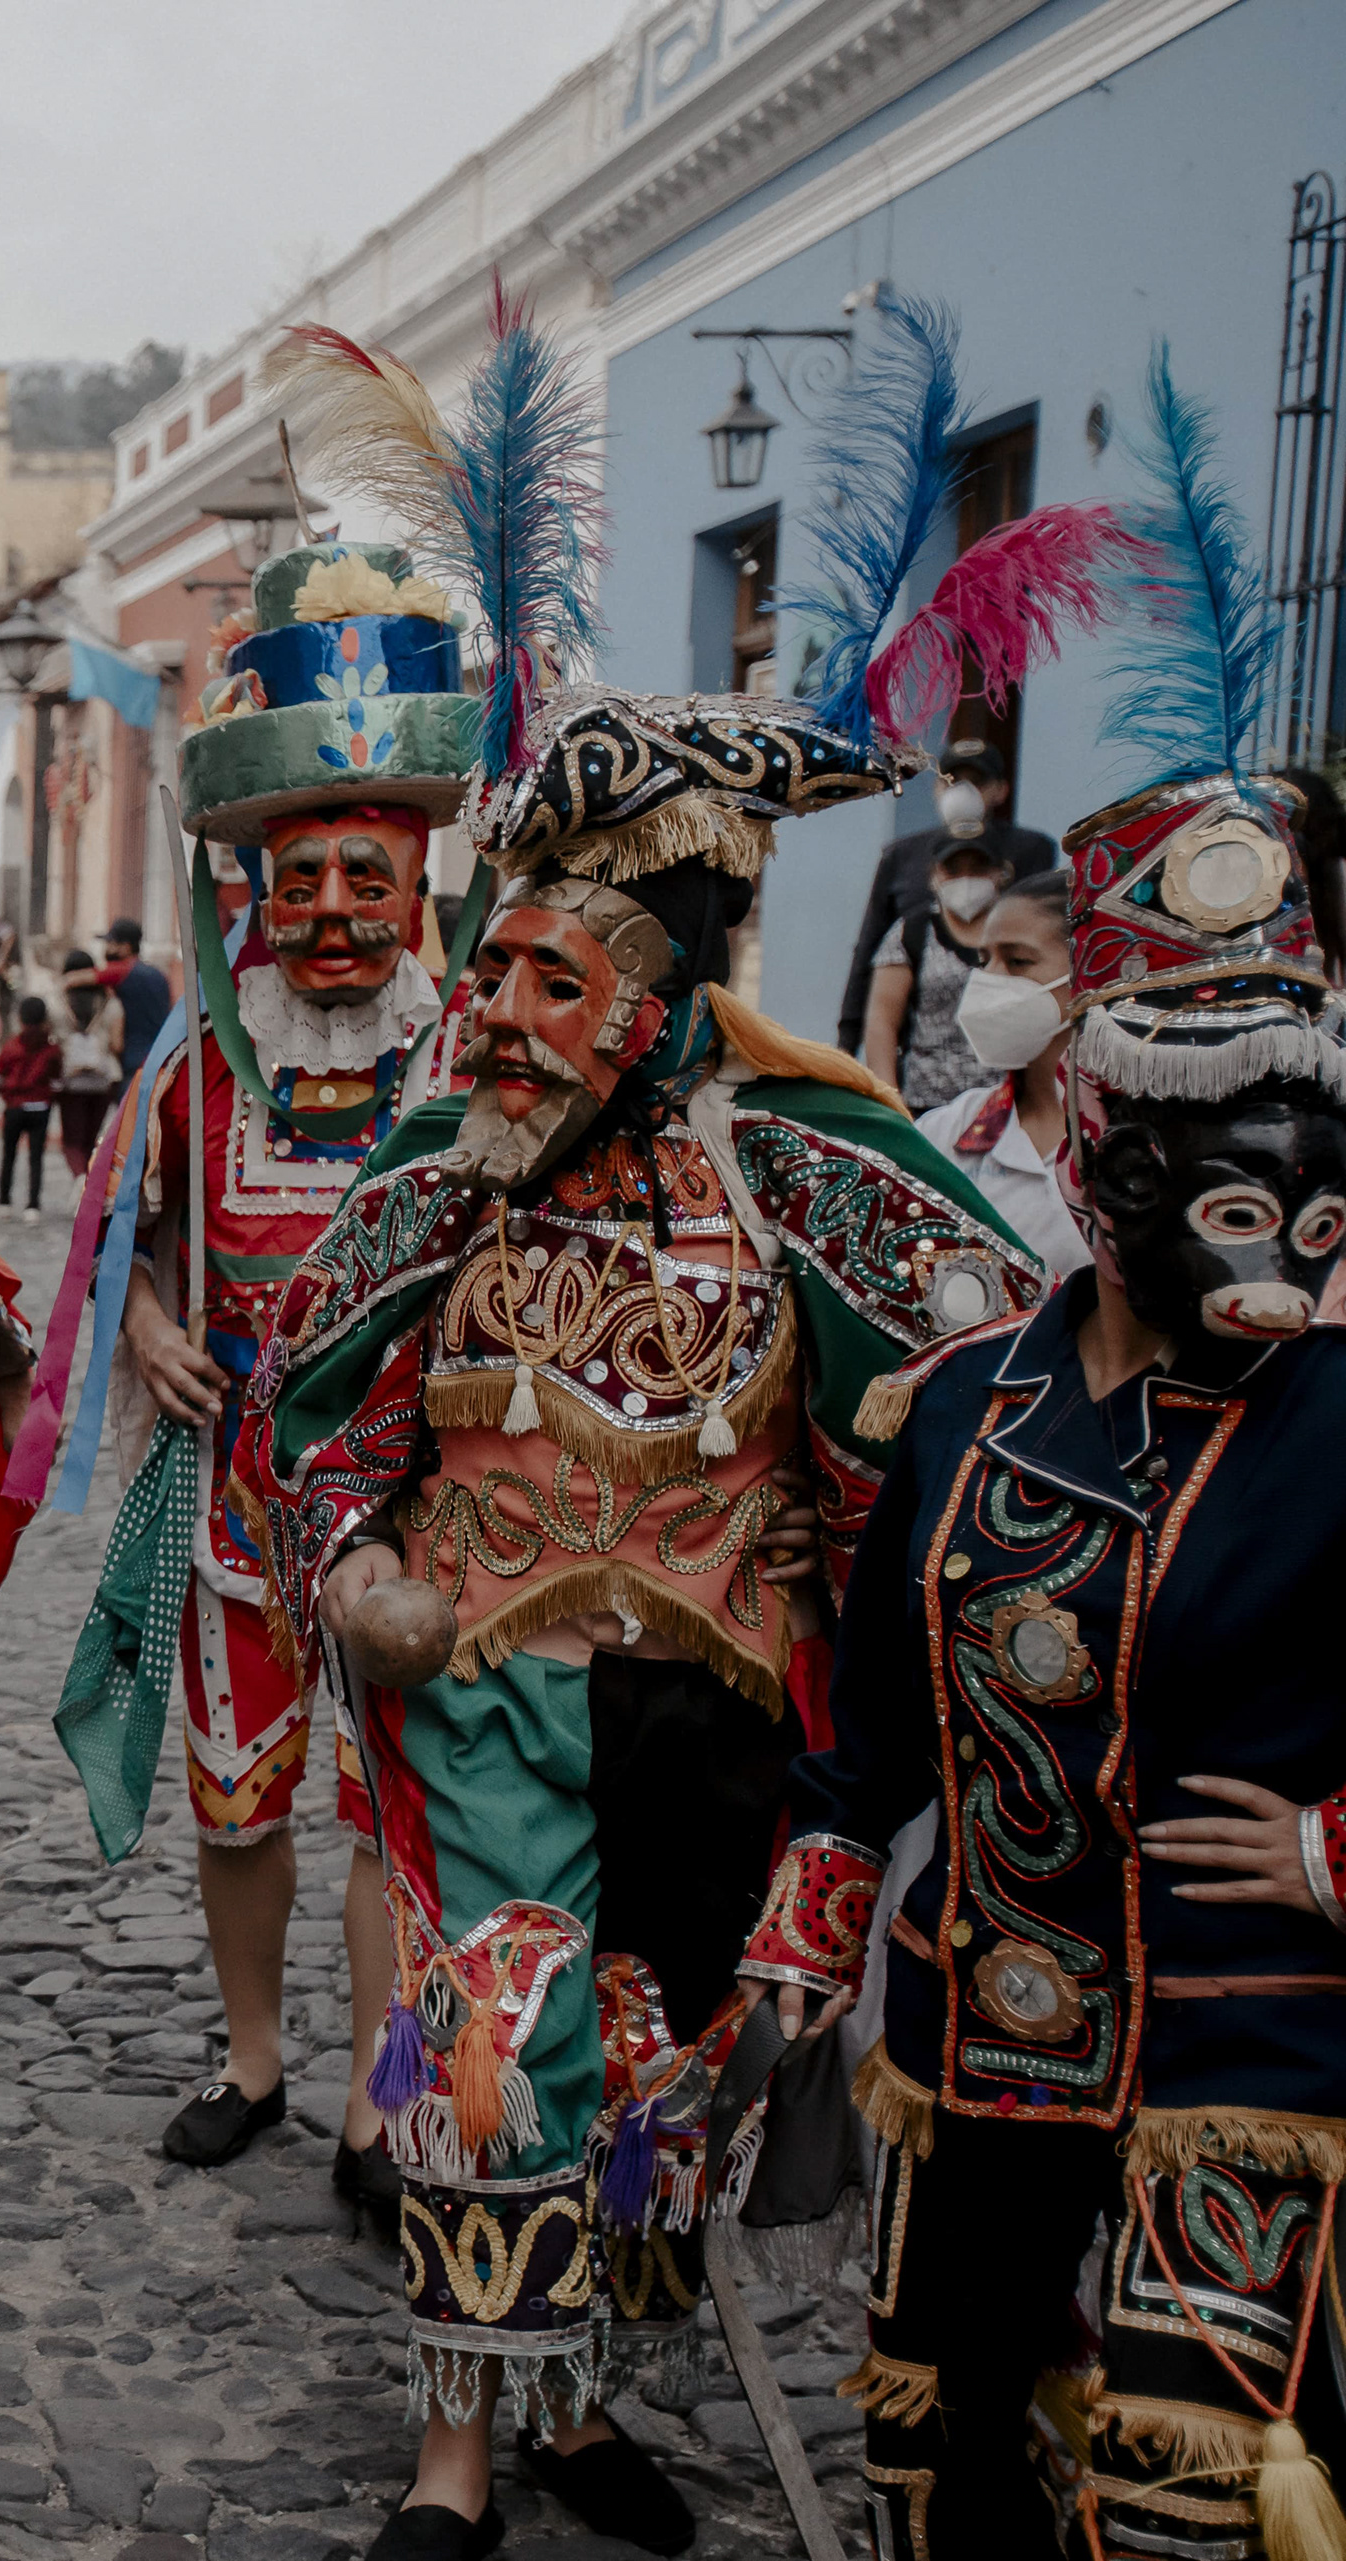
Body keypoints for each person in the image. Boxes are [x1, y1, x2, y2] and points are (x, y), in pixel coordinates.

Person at [233, 299, 1061, 2560]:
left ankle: (585, 2388)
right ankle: (451, 2444)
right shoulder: (429, 1169)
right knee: (483, 2051)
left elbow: (983, 1411)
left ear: (656, 996)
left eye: (540, 977)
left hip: (717, 1714)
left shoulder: (808, 1168)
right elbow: (295, 1398)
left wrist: (871, 1667)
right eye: (484, 968)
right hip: (484, 1683)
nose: (488, 1013)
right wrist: (353, 1575)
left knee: (656, 2073)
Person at [747, 363, 1346, 2556]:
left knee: (1195, 2493)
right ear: (1078, 1116)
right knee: (944, 2446)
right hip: (979, 2030)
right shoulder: (971, 1393)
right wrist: (800, 1947)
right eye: (1185, 1123)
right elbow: (865, 1737)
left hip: (1253, 2056)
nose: (1243, 1187)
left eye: (1286, 1133)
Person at [19, 529, 471, 2217]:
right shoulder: (200, 1065)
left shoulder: (468, 1065)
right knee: (236, 1804)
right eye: (306, 884)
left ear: (416, 886)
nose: (337, 916)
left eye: (368, 880)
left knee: (386, 1806)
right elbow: (124, 1243)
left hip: (412, 1513)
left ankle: (372, 2093)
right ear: (255, 894)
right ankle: (255, 2057)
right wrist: (145, 1331)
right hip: (232, 1495)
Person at [912, 870, 1089, 1281]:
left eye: (1017, 961)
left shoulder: (1129, 1142)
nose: (990, 979)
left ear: (1089, 973)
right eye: (984, 959)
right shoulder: (948, 1137)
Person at [834, 739, 1058, 1055]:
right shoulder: (902, 856)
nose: (962, 792)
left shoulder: (1030, 850)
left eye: (976, 781)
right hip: (919, 1049)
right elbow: (868, 947)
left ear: (1001, 790)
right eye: (951, 781)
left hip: (1005, 1045)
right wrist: (847, 1041)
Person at [859, 832, 1013, 1114]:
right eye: (953, 870)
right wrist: (889, 1101)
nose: (965, 879)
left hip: (1005, 1104)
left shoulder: (1017, 932)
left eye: (978, 868)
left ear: (1000, 872)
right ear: (934, 875)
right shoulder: (910, 933)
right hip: (927, 1105)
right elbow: (881, 1024)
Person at [0, 993, 65, 1216]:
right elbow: (57, 1081)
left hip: (14, 1107)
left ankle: (4, 1201)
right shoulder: (52, 1050)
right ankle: (33, 1205)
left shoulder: (11, 1047)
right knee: (36, 1156)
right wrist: (52, 1098)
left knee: (8, 1153)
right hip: (40, 1108)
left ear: (20, 1018)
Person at [53, 961, 121, 1169]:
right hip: (103, 1079)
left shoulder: (57, 1005)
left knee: (73, 1141)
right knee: (92, 1138)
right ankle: (89, 1184)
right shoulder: (111, 1005)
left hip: (70, 1079)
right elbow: (118, 1045)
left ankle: (80, 1179)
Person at [98, 918, 174, 1065]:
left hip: (133, 1055)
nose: (106, 949)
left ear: (125, 947)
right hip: (159, 1051)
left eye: (110, 944)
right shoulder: (158, 974)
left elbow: (77, 978)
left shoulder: (123, 970)